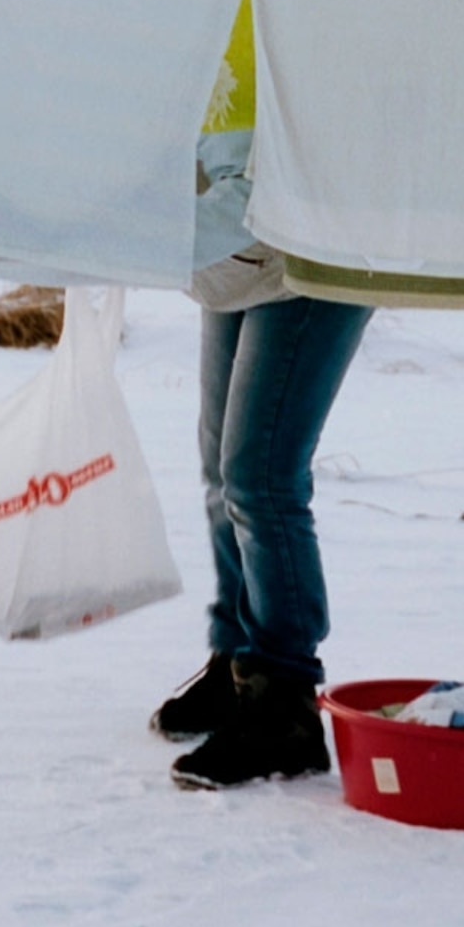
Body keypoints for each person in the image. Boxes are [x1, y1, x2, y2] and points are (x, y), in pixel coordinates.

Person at [154, 235, 369, 790]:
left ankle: (283, 702)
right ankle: (239, 665)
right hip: (238, 239)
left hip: (318, 239)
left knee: (261, 475)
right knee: (223, 471)